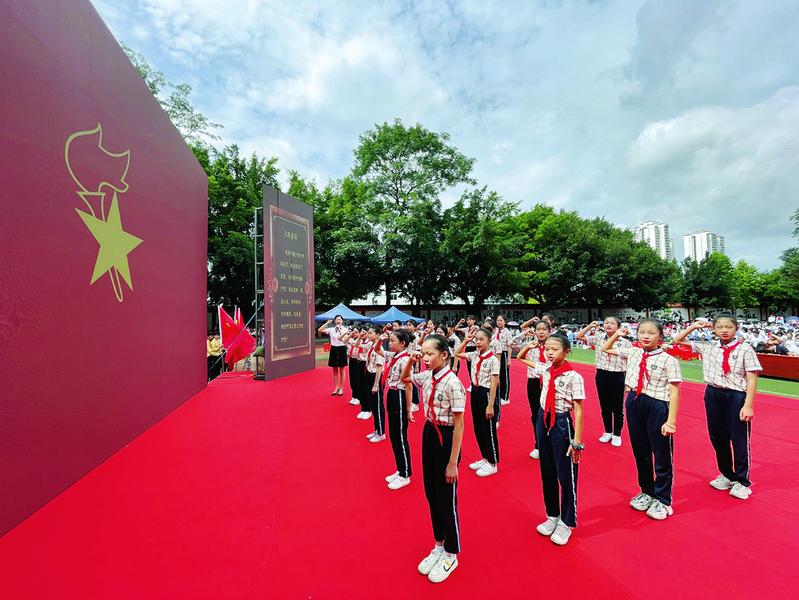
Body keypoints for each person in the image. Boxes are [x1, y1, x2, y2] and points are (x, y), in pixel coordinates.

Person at [672, 315, 761, 500]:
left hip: (736, 395)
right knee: (717, 436)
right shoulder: (709, 346)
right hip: (713, 393)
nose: (724, 330)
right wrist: (694, 327)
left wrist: (748, 405)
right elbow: (676, 340)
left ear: (736, 328)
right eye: (720, 327)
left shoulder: (745, 349)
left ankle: (742, 481)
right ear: (714, 329)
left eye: (728, 326)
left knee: (738, 439)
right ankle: (727, 474)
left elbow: (752, 378)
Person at [401, 335, 466, 583]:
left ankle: (451, 552)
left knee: (446, 497)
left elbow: (459, 425)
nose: (425, 358)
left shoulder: (453, 383)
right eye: (423, 353)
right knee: (431, 492)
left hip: (447, 437)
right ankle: (438, 544)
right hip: (430, 432)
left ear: (444, 355)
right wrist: (411, 360)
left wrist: (452, 462)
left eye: (430, 354)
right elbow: (404, 379)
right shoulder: (427, 376)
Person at [602, 319, 681, 521]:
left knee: (661, 453)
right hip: (634, 401)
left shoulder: (668, 360)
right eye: (642, 332)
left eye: (651, 333)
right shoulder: (634, 351)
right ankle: (647, 491)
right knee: (641, 451)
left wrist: (671, 421)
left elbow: (674, 392)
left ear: (660, 337)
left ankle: (663, 499)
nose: (646, 336)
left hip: (657, 404)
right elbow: (605, 348)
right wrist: (618, 335)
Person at [517, 333, 584, 546]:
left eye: (555, 349)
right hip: (543, 419)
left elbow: (579, 410)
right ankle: (552, 514)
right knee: (547, 470)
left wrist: (577, 442)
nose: (550, 352)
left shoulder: (574, 377)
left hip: (562, 423)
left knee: (566, 475)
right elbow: (519, 357)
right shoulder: (544, 369)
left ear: (566, 351)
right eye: (547, 349)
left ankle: (567, 522)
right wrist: (529, 347)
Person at [576, 317, 631, 447]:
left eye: (612, 323)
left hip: (618, 375)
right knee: (604, 405)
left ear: (618, 327)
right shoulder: (598, 338)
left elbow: (631, 363)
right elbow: (579, 336)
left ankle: (617, 434)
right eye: (606, 322)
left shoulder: (625, 343)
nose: (608, 325)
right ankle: (608, 431)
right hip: (602, 374)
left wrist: (628, 382)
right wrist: (590, 326)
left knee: (617, 407)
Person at [455, 327, 500, 477]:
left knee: (488, 428)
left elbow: (494, 383)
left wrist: (490, 405)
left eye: (482, 339)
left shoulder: (493, 359)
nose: (478, 342)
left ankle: (493, 462)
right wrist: (466, 340)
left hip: (486, 393)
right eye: (477, 339)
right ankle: (485, 457)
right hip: (475, 391)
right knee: (478, 426)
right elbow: (456, 353)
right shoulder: (474, 355)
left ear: (489, 341)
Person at [375, 329, 414, 490]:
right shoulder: (394, 356)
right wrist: (380, 339)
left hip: (399, 396)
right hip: (391, 395)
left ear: (403, 344)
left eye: (392, 341)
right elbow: (377, 349)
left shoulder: (406, 360)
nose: (389, 343)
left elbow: (409, 385)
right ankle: (400, 469)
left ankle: (405, 474)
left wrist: (409, 409)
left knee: (400, 436)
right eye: (389, 341)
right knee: (394, 435)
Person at [515, 321, 553, 459]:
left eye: (544, 329)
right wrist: (525, 335)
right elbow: (512, 345)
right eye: (538, 329)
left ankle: (552, 443)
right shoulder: (530, 344)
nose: (541, 332)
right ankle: (539, 444)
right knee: (536, 414)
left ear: (549, 331)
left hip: (550, 382)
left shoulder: (553, 345)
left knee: (550, 413)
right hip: (534, 382)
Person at [363, 325, 387, 443]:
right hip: (369, 375)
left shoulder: (379, 349)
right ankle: (376, 429)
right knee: (373, 406)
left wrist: (376, 384)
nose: (369, 334)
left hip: (375, 378)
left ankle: (381, 432)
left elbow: (379, 367)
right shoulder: (372, 346)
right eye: (368, 332)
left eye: (371, 333)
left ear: (378, 335)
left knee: (378, 406)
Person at [318, 316, 349, 396]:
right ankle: (336, 388)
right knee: (334, 370)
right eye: (337, 319)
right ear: (335, 321)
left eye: (340, 319)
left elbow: (345, 338)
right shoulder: (331, 329)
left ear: (342, 321)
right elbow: (320, 330)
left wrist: (339, 330)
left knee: (342, 370)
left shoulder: (345, 329)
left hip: (342, 348)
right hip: (334, 349)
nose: (338, 321)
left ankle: (341, 388)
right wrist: (327, 323)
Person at [492, 315, 513, 406]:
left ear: (505, 322)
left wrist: (509, 359)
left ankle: (505, 397)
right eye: (498, 320)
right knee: (497, 374)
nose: (499, 322)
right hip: (495, 353)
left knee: (504, 376)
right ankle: (498, 394)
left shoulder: (507, 332)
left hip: (503, 353)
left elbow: (510, 345)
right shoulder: (495, 331)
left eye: (501, 320)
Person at [341, 326, 364, 407]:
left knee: (358, 380)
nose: (355, 333)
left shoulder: (362, 342)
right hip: (352, 360)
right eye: (354, 331)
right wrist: (351, 334)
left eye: (356, 332)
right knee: (352, 379)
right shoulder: (351, 340)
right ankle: (354, 396)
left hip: (359, 361)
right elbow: (343, 340)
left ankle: (359, 397)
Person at [456, 316, 479, 391]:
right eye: (468, 320)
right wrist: (460, 322)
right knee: (469, 367)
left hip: (474, 347)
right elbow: (456, 328)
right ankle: (471, 383)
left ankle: (475, 383)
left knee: (474, 366)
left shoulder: (476, 328)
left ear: (474, 321)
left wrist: (472, 336)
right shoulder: (466, 329)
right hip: (467, 347)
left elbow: (478, 336)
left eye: (471, 320)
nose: (469, 321)